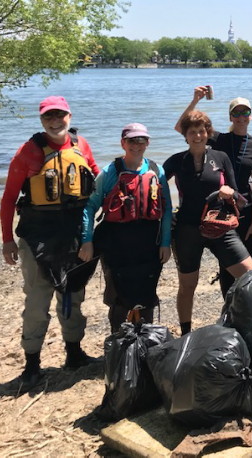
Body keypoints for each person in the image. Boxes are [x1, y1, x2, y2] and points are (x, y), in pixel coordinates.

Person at [0, 95, 100, 392]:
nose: (56, 121)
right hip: (37, 234)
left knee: (74, 293)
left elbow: (96, 182)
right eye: (48, 117)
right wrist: (7, 240)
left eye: (61, 116)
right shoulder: (28, 152)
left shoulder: (81, 146)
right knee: (37, 299)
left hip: (73, 233)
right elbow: (7, 199)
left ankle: (74, 353)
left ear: (69, 116)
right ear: (41, 120)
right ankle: (32, 364)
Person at [164, 110, 252, 335]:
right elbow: (153, 186)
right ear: (185, 135)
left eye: (202, 131)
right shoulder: (177, 161)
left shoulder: (221, 158)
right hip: (186, 230)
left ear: (208, 133)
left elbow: (240, 198)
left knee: (251, 277)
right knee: (187, 286)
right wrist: (166, 215)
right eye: (192, 132)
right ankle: (186, 333)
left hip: (220, 226)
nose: (198, 136)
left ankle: (246, 325)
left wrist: (229, 192)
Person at [78, 123, 172, 332]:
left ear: (148, 143)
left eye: (142, 141)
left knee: (146, 294)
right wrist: (87, 240)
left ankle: (144, 340)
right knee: (119, 296)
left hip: (149, 240)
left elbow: (166, 209)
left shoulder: (157, 170)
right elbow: (90, 206)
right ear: (123, 143)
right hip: (116, 242)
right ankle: (118, 342)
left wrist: (166, 242)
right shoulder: (110, 172)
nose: (137, 145)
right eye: (132, 141)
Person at [174, 87, 252, 297]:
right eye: (236, 113)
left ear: (251, 116)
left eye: (245, 113)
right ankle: (230, 316)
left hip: (245, 210)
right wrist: (195, 100)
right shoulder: (218, 139)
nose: (241, 117)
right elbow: (183, 127)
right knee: (227, 272)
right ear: (230, 116)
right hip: (222, 213)